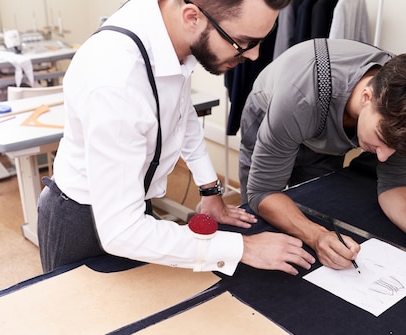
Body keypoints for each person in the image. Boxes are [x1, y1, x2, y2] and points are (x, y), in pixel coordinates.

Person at [37, 0, 315, 275]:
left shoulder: (168, 28)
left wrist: (210, 190)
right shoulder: (118, 81)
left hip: (134, 205)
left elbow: (181, 114)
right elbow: (122, 231)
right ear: (192, 17)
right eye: (243, 42)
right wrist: (243, 248)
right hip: (82, 218)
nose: (253, 56)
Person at [239, 38, 406, 278]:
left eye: (394, 148)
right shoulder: (300, 95)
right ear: (367, 96)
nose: (384, 156)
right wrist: (316, 236)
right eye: (382, 139)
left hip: (320, 128)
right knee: (260, 223)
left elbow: (394, 184)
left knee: (317, 210)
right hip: (276, 114)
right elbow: (262, 193)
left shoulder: (405, 109)